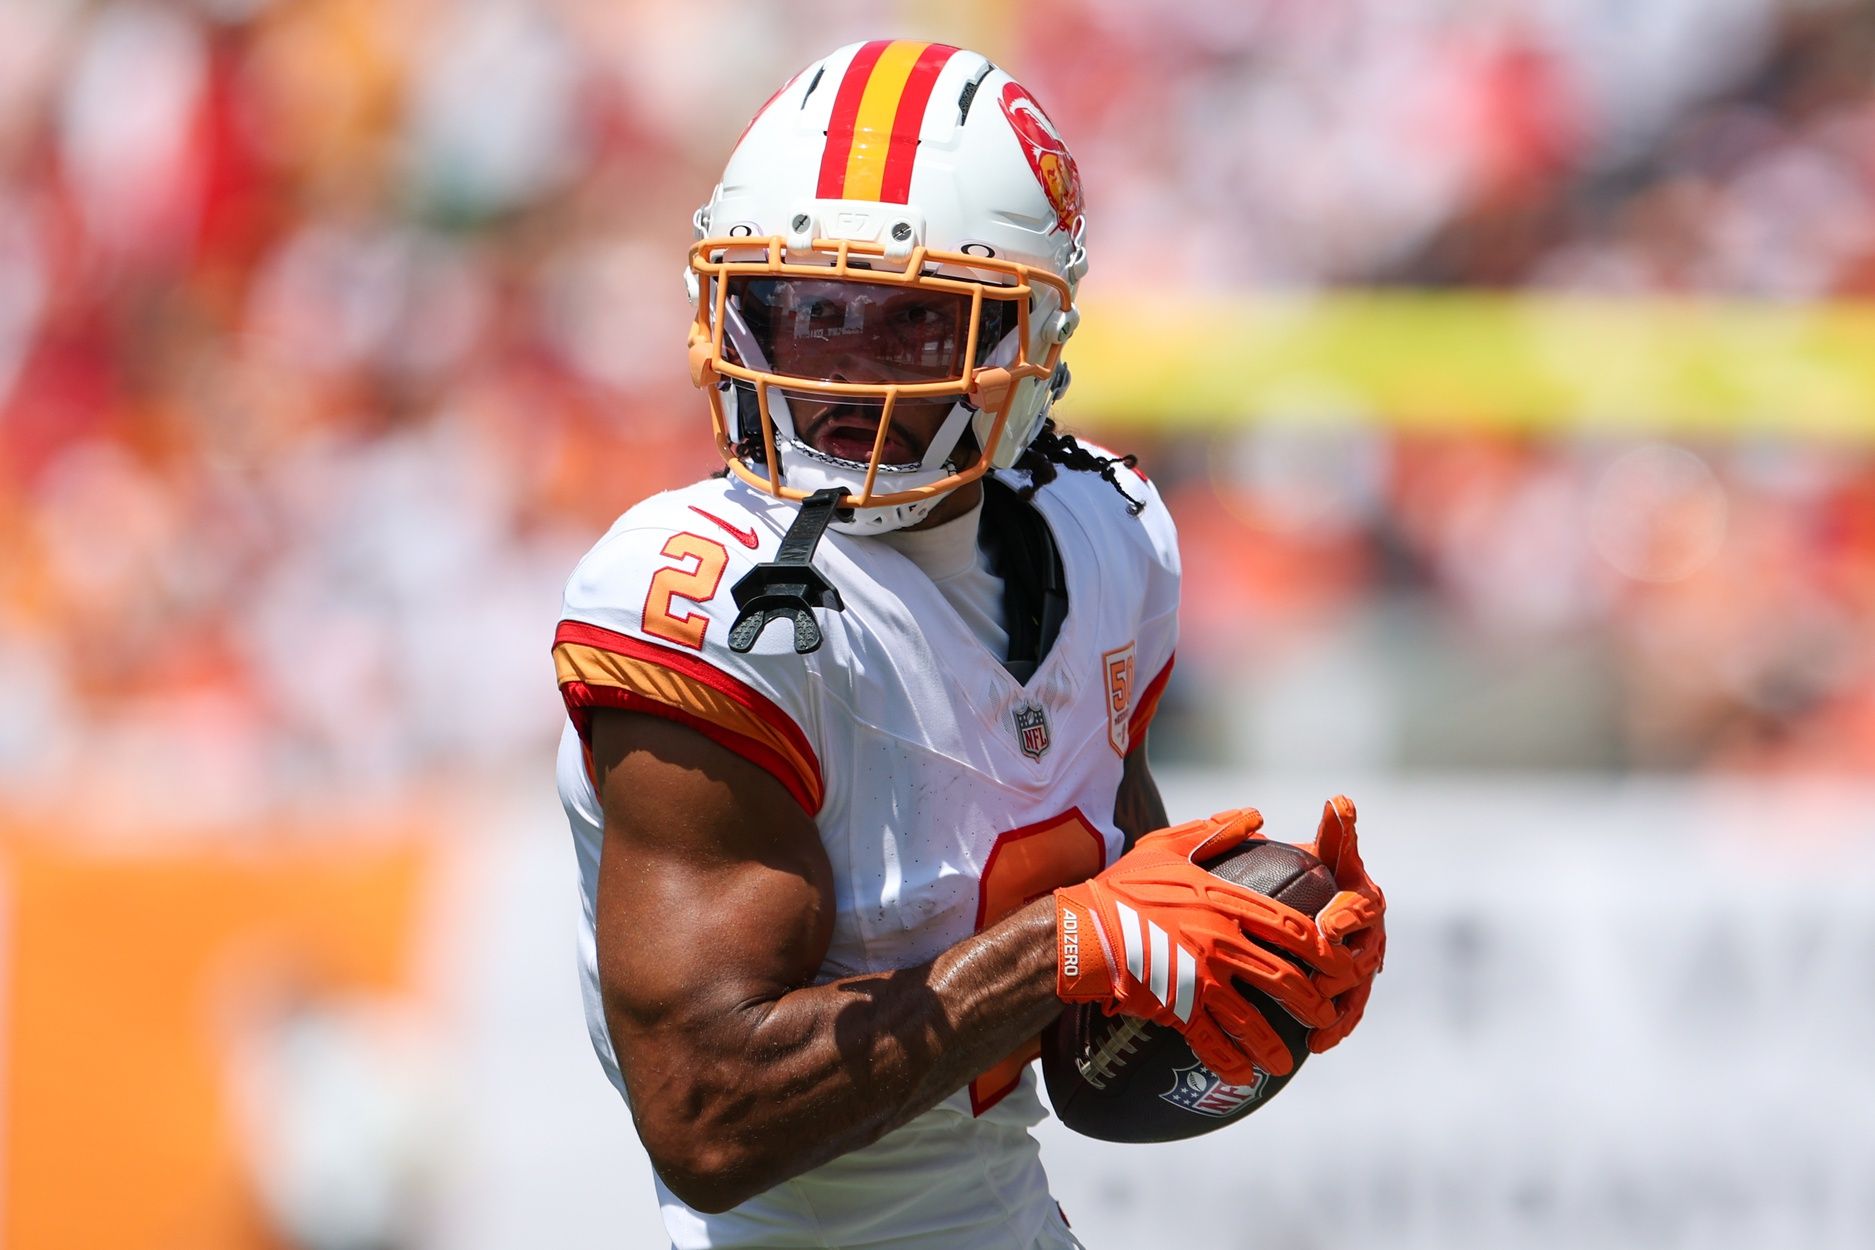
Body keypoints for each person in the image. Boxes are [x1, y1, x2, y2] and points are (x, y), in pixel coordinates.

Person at [550, 39, 1385, 1250]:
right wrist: (1063, 946)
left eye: (913, 324)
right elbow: (708, 1115)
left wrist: (1260, 947)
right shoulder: (703, 595)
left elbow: (1103, 971)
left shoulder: (1105, 529)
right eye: (809, 312)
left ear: (1028, 334)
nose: (847, 374)